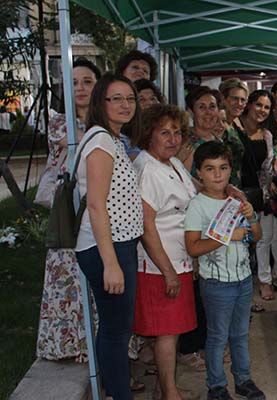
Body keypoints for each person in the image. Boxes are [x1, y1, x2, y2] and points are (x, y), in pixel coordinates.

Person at [74, 73, 144, 400]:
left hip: (117, 244)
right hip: (106, 247)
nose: (125, 105)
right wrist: (111, 263)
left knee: (116, 327)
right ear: (100, 103)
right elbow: (96, 204)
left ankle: (116, 391)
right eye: (116, 98)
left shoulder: (112, 139)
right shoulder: (101, 141)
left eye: (130, 98)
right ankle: (118, 394)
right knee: (116, 331)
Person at [184, 141, 265, 400]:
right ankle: (216, 386)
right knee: (218, 337)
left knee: (240, 334)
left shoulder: (236, 200)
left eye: (223, 167)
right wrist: (226, 236)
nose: (217, 174)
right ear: (199, 173)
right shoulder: (197, 205)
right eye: (210, 169)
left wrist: (251, 217)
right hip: (217, 283)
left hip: (243, 279)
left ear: (231, 169)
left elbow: (256, 237)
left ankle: (243, 379)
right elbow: (193, 247)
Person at [36, 58, 100, 362]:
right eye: (74, 82)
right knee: (68, 276)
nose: (81, 88)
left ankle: (96, 346)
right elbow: (81, 146)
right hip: (69, 212)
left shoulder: (104, 122)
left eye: (87, 81)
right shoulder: (60, 123)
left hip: (99, 209)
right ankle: (71, 345)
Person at [132, 104, 197, 400]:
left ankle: (165, 388)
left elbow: (192, 188)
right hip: (159, 266)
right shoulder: (147, 169)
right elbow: (146, 226)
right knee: (167, 333)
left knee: (174, 330)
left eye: (177, 133)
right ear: (149, 134)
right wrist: (168, 271)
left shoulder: (171, 163)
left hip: (179, 260)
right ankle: (170, 394)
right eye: (165, 133)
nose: (173, 139)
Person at [238, 90, 277, 301]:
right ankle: (265, 281)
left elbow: (268, 165)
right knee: (262, 238)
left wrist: (270, 185)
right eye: (258, 105)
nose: (262, 110)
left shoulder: (267, 134)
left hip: (266, 193)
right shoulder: (235, 130)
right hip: (243, 193)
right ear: (249, 105)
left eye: (266, 107)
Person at [179, 86, 244, 187]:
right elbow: (184, 182)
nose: (208, 112)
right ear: (191, 112)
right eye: (202, 107)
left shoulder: (219, 140)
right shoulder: (186, 143)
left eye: (212, 106)